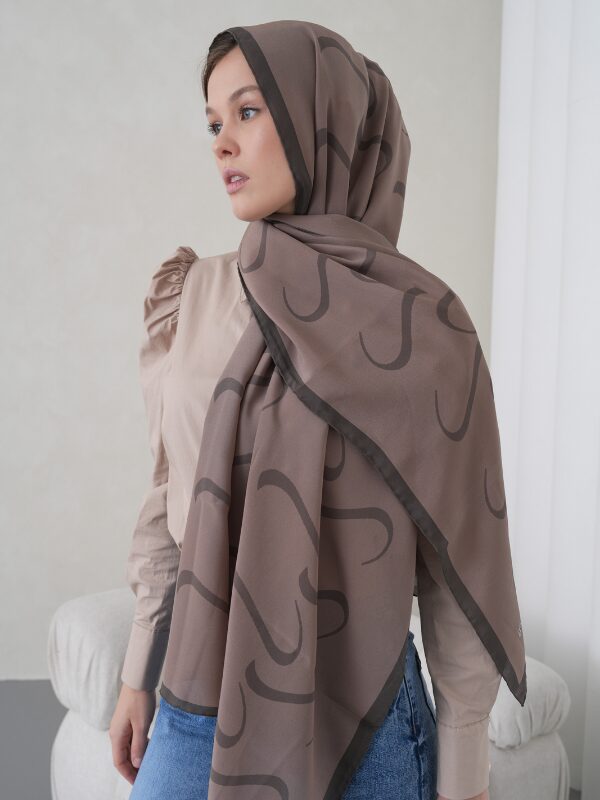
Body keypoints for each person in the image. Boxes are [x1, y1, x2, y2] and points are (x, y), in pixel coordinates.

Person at [109, 20, 526, 800]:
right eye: (213, 121)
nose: (222, 143)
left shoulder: (425, 330)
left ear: (325, 120)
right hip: (198, 699)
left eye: (248, 111)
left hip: (369, 720)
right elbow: (170, 499)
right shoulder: (192, 296)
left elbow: (457, 572)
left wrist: (466, 774)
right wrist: (137, 673)